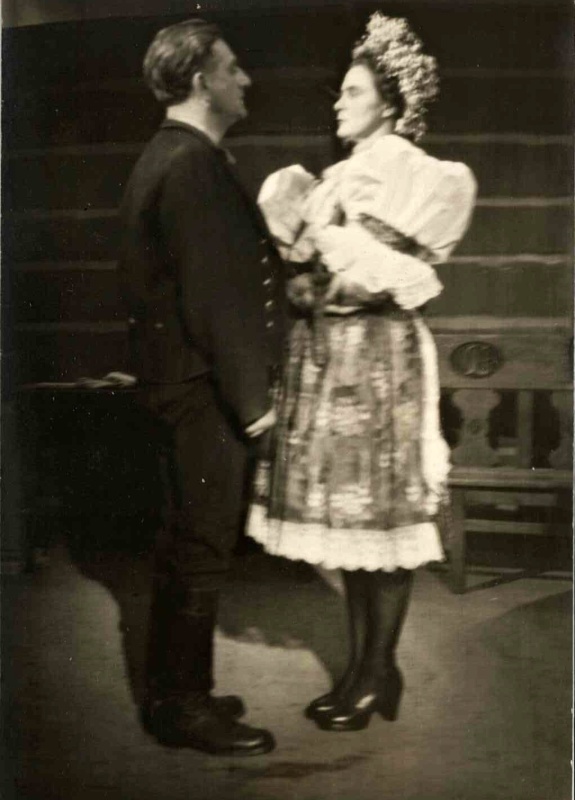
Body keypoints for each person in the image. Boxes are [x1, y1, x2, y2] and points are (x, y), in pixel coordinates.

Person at [247, 13, 476, 732]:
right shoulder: (338, 175)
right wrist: (307, 282)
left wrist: (324, 281)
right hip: (331, 358)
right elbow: (313, 270)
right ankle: (366, 669)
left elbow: (387, 278)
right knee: (351, 526)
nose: (338, 105)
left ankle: (375, 673)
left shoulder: (405, 169)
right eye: (339, 92)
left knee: (381, 517)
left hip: (376, 362)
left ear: (389, 104)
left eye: (353, 92)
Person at [118, 19, 285, 755]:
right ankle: (183, 708)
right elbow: (217, 300)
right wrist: (255, 407)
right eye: (232, 67)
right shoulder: (190, 164)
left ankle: (177, 692)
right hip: (201, 391)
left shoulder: (170, 155)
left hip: (178, 383)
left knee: (187, 541)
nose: (245, 79)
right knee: (201, 546)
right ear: (199, 81)